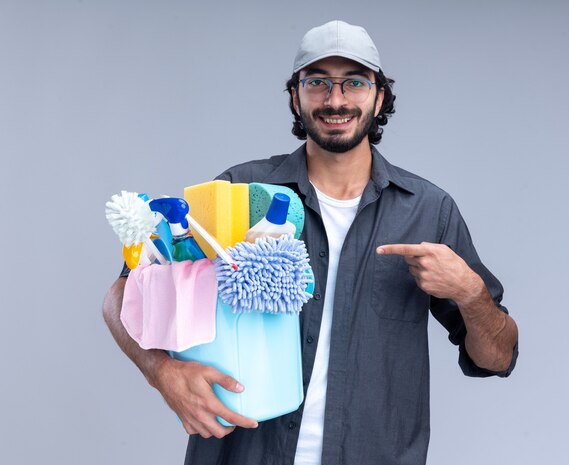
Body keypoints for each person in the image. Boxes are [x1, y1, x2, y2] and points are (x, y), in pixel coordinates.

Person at [103, 20, 518, 465]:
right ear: (295, 97)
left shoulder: (429, 211)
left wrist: (471, 293)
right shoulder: (241, 192)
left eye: (354, 82)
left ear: (379, 97)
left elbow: (497, 357)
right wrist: (162, 372)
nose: (335, 99)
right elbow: (121, 296)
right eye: (317, 82)